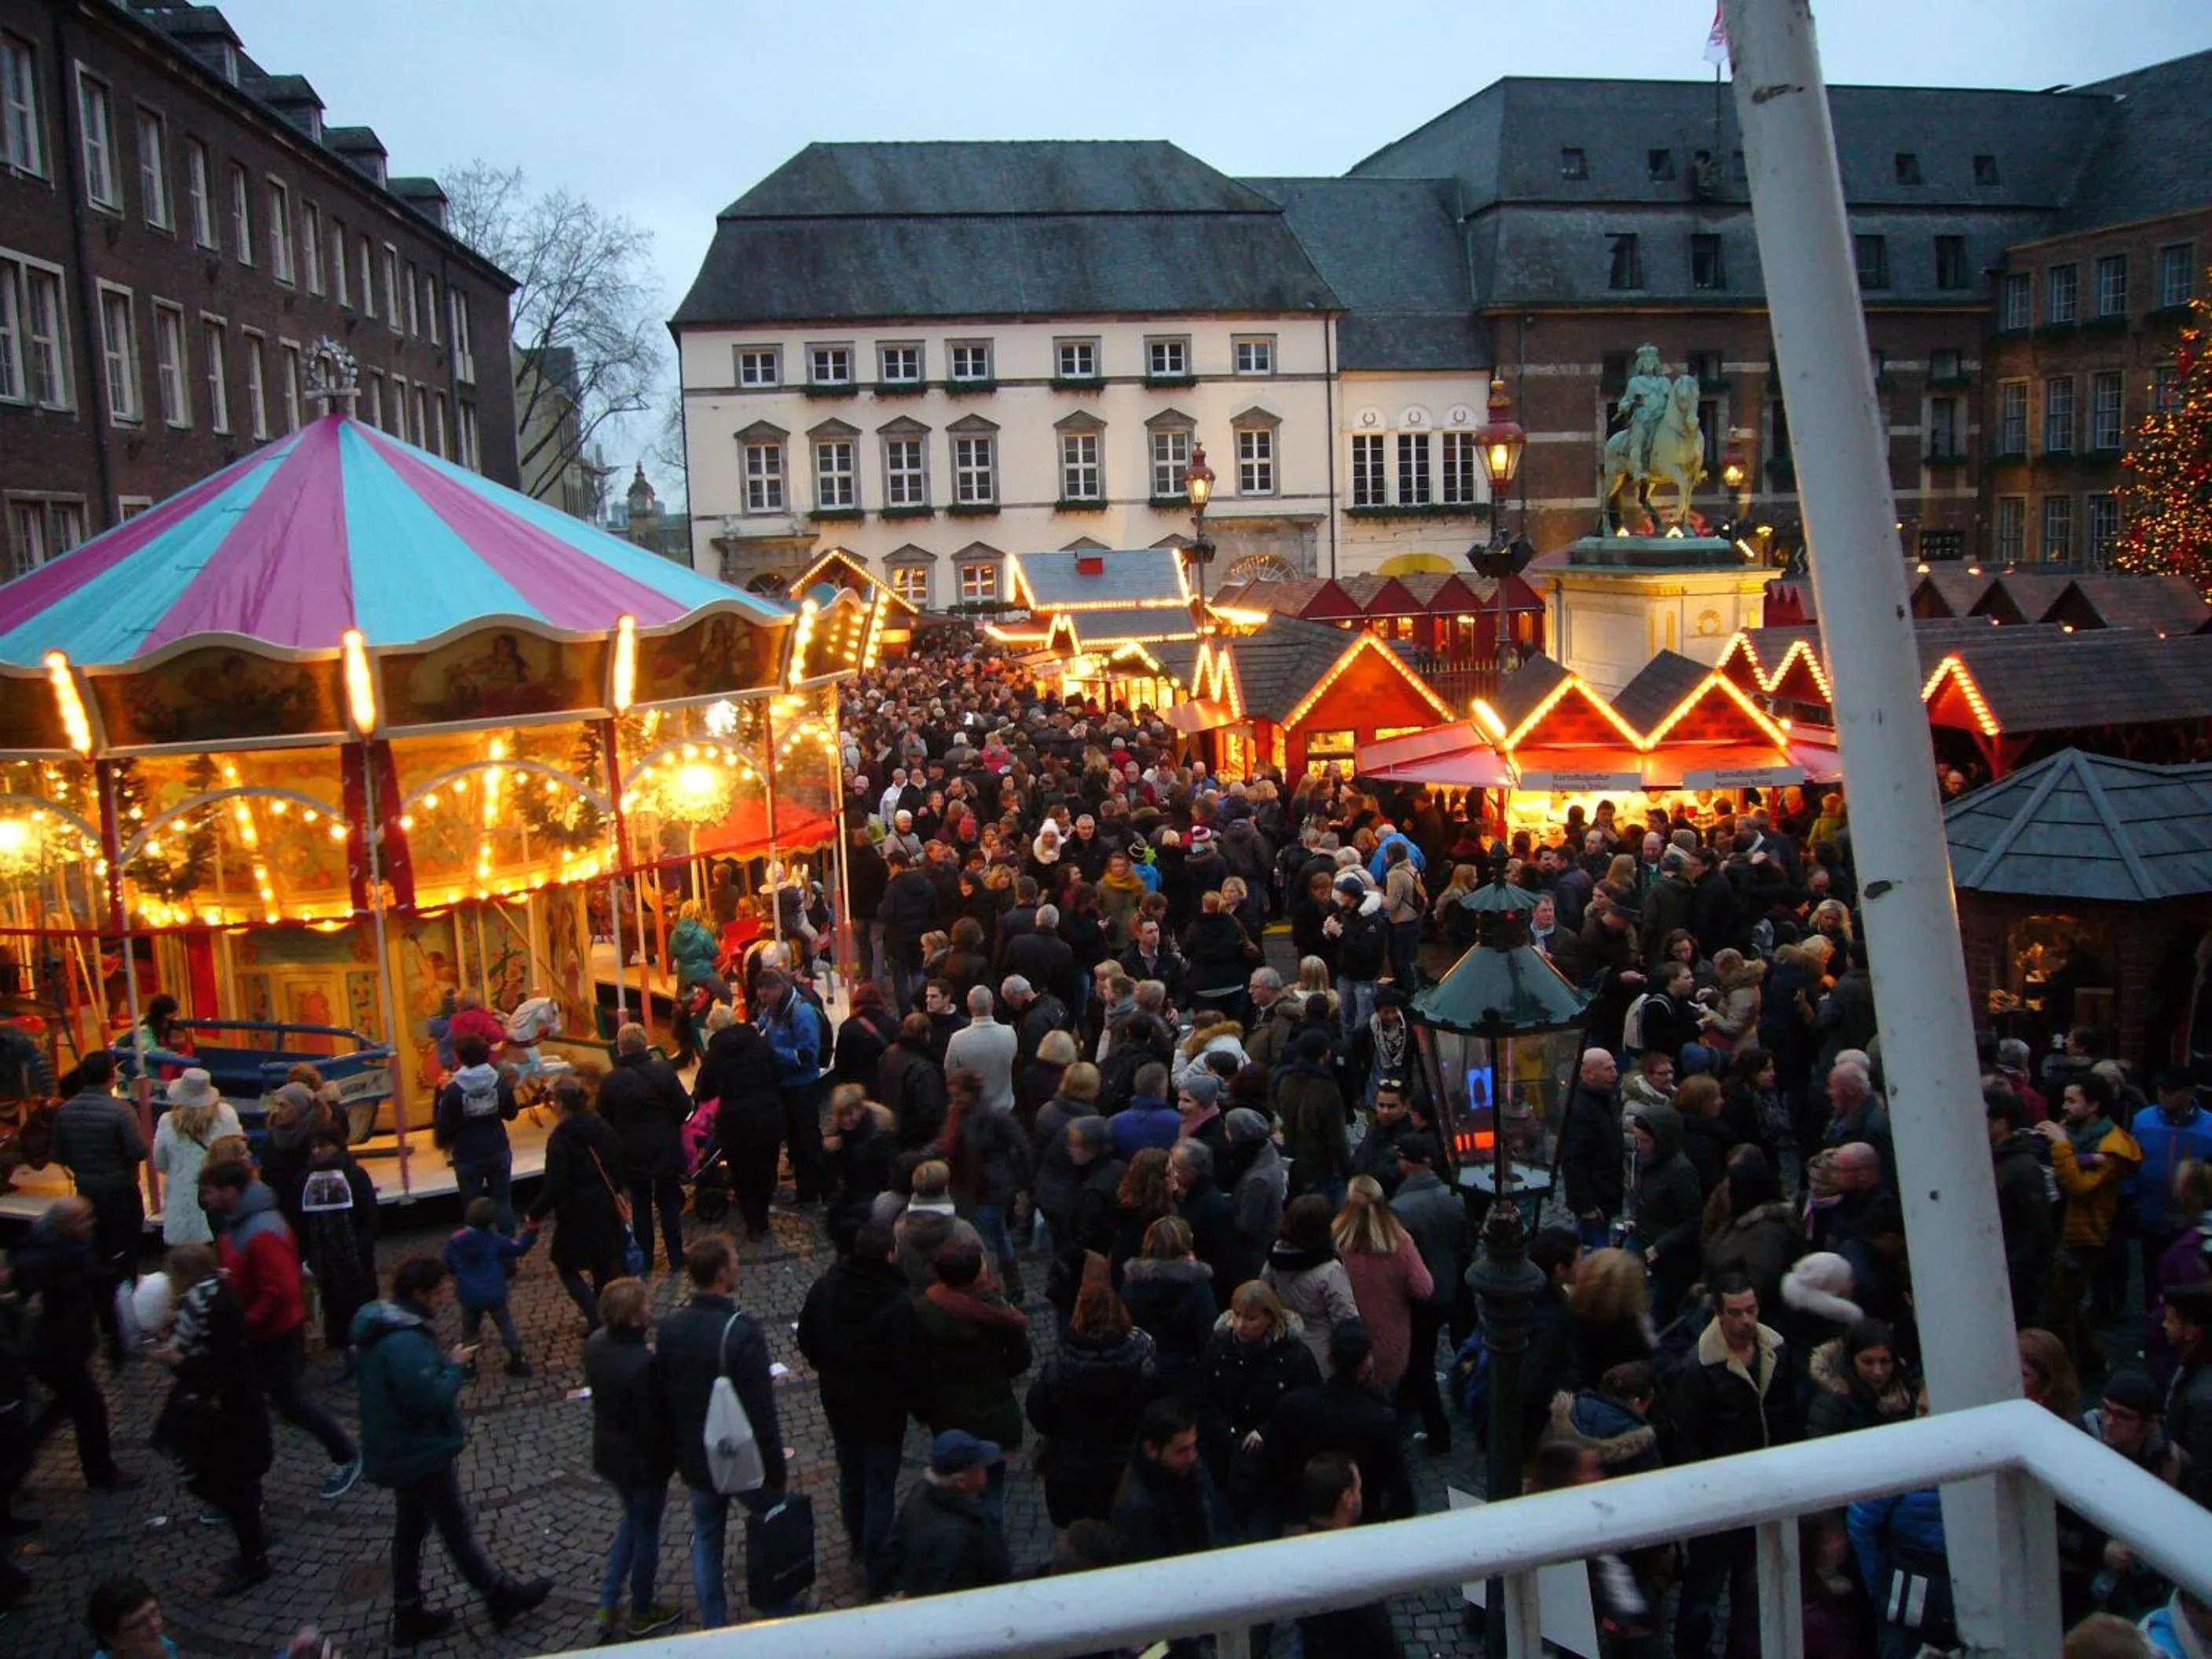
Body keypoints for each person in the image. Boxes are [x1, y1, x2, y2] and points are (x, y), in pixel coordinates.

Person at [353, 1254, 552, 1646]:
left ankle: (409, 1609)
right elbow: (430, 1399)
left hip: (401, 1447)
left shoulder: (386, 1327)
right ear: (420, 1293)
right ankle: (498, 1595)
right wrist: (456, 1367)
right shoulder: (404, 1343)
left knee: (411, 1529)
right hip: (419, 1451)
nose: (446, 1298)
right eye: (440, 1291)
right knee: (452, 1526)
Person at [198, 1160, 361, 1500]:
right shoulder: (240, 1225)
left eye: (209, 1193)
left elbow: (280, 1291)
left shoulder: (260, 1231)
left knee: (290, 1403)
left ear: (229, 1192)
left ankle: (345, 1454)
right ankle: (244, 1483)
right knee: (255, 1406)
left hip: (274, 1334)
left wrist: (243, 1322)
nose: (205, 1200)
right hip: (257, 1331)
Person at [655, 1234, 789, 1628]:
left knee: (707, 1535)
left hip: (697, 1454)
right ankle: (777, 1604)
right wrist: (775, 1467)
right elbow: (761, 1411)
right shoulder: (741, 1331)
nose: (738, 1268)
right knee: (768, 1525)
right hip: (743, 1455)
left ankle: (714, 1620)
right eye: (733, 1262)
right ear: (721, 1273)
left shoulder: (670, 1328)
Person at [1669, 1275, 1796, 1658]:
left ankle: (1743, 1647)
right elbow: (1688, 1438)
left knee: (1750, 1579)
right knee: (1706, 1581)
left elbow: (1788, 1414)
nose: (1746, 1320)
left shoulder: (1776, 1350)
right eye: (1736, 1312)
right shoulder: (1698, 1368)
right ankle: (1691, 1647)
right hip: (1720, 1493)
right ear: (1718, 1314)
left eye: (1751, 1310)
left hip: (1763, 1485)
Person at [797, 1220, 917, 1599]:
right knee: (879, 1486)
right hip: (883, 1408)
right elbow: (906, 1363)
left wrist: (827, 1366)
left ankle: (857, 1543)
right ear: (888, 1254)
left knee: (851, 1475)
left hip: (839, 1399)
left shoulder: (826, 1288)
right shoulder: (895, 1301)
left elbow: (806, 1339)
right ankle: (876, 1561)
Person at [150, 1243, 272, 1595]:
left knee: (222, 1482)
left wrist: (174, 1359)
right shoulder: (218, 1293)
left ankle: (253, 1551)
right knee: (235, 1482)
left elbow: (206, 1362)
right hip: (236, 1405)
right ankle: (252, 1539)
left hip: (222, 1411)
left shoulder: (201, 1304)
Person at [1025, 1252, 1158, 1527]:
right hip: (1124, 1473)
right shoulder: (1142, 1371)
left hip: (1071, 1473)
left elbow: (1039, 1414)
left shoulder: (1058, 1373)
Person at [13, 1198, 138, 1489]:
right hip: (53, 1348)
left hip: (64, 1345)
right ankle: (100, 1472)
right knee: (88, 1407)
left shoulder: (71, 1249)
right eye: (83, 1219)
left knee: (63, 1407)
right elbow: (38, 1300)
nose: (90, 1224)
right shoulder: (46, 1257)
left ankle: (16, 1462)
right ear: (63, 1225)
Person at [582, 1277, 680, 1643]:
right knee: (645, 1533)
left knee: (632, 1523)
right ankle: (642, 1608)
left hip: (610, 1453)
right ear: (635, 1316)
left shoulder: (595, 1345)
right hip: (643, 1463)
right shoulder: (642, 1365)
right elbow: (654, 1424)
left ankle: (608, 1602)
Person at [914, 1238, 1032, 1525]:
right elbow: (1020, 1359)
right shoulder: (1001, 1313)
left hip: (948, 1407)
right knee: (993, 1485)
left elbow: (917, 1362)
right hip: (995, 1408)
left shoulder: (925, 1310)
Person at [1261, 1320, 1415, 1525]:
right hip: (1362, 1519)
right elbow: (1402, 1496)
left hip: (1304, 1516)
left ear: (1330, 1358)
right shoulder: (1380, 1420)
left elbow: (1273, 1467)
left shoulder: (1293, 1406)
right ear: (1366, 1362)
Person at [2040, 1072, 2144, 1376]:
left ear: (2095, 1105)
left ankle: (2068, 1374)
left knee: (2059, 1312)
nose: (2066, 1107)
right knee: (2067, 1306)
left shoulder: (2114, 1145)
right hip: (2062, 1229)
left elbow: (2078, 1187)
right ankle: (2094, 1362)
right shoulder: (2076, 1134)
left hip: (2085, 1236)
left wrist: (2060, 1147)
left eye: (2073, 1101)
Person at [50, 1052, 146, 1360]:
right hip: (119, 1190)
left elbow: (60, 1154)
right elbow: (138, 1149)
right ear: (110, 1076)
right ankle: (128, 1320)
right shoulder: (120, 1111)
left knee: (95, 1254)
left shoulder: (66, 1112)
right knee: (126, 1256)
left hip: (87, 1189)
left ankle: (105, 1321)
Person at [526, 1078, 632, 1333]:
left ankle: (596, 1318)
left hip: (576, 1212)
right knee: (603, 1266)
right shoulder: (603, 1128)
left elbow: (555, 1184)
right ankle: (607, 1317)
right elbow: (619, 1163)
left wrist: (535, 1212)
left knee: (566, 1266)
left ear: (561, 1104)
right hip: (605, 1207)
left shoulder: (561, 1139)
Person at [1391, 1133, 1468, 1451]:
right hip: (1453, 1285)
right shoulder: (1455, 1195)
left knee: (1420, 1359)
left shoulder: (1400, 1208)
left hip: (1422, 1295)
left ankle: (1437, 1430)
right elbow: (1466, 1243)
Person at [596, 1023, 690, 1275]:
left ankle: (646, 1258)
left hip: (630, 1151)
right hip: (664, 1146)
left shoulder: (612, 1081)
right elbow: (683, 1106)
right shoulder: (663, 1071)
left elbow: (603, 1118)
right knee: (669, 1200)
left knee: (640, 1203)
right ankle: (676, 1255)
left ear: (621, 1048)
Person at [1288, 1452, 1399, 1658]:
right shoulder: (1356, 1576)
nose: (1360, 1495)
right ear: (1347, 1499)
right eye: (1358, 1489)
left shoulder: (1295, 1546)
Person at [1331, 1174, 1433, 1394]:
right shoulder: (1400, 1243)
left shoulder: (1336, 1240)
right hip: (1389, 1341)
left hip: (1346, 1342)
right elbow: (1423, 1288)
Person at [696, 1004, 786, 1243]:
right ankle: (763, 1215)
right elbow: (779, 1070)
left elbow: (705, 1091)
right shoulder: (758, 1043)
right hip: (767, 1114)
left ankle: (753, 1223)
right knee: (766, 1166)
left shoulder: (714, 1054)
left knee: (743, 1173)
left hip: (735, 1121)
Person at [884, 1430, 1011, 1599]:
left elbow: (893, 1549)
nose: (985, 1468)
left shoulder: (920, 1493)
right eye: (979, 1465)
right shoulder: (958, 1538)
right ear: (961, 1481)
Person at [297, 1129, 379, 1375]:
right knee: (335, 1309)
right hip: (324, 1258)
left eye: (323, 1146)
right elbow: (300, 1219)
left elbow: (369, 1215)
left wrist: (363, 1245)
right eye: (313, 1147)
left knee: (360, 1304)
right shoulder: (306, 1178)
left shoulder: (354, 1174)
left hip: (354, 1256)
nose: (317, 1151)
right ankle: (349, 1355)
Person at [1265, 1193, 1362, 1379]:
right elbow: (1346, 1319)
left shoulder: (1275, 1259)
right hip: (1320, 1354)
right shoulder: (1330, 1271)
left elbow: (1264, 1293)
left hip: (1282, 1343)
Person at [431, 1036, 520, 1237]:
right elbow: (511, 1113)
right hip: (497, 1147)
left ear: (460, 1058)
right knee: (503, 1201)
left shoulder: (454, 1089)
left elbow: (445, 1124)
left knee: (473, 1207)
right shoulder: (497, 1082)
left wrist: (444, 1141)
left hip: (467, 1152)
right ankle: (508, 1252)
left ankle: (479, 1250)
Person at [1110, 1397, 1215, 1563]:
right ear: (1151, 1450)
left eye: (1194, 1446)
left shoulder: (1186, 1470)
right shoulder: (1138, 1509)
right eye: (1182, 1451)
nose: (1192, 1457)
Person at [442, 1196, 538, 1377]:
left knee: (470, 1330)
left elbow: (448, 1262)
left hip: (469, 1294)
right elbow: (518, 1247)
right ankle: (519, 1358)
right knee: (505, 1326)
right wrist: (531, 1231)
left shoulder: (456, 1241)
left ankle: (468, 1364)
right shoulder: (493, 1239)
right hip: (495, 1292)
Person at [757, 967, 830, 1203]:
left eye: (766, 996)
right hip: (786, 1086)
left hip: (802, 1087)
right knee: (795, 1142)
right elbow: (762, 1025)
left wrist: (771, 1052)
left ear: (778, 989)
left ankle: (818, 1189)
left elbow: (807, 1055)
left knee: (807, 1140)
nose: (764, 1002)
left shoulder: (802, 1013)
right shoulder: (775, 1008)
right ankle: (805, 1189)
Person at [1628, 1098, 1703, 1321]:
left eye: (1645, 1141)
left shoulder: (1681, 1171)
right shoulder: (1646, 1160)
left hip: (1672, 1257)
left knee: (1661, 1312)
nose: (1640, 1146)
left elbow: (1693, 1220)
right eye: (1638, 1139)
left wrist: (1660, 1246)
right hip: (1646, 1241)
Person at [148, 1069, 240, 1246]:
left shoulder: (167, 1122)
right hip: (221, 1204)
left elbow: (160, 1164)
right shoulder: (227, 1116)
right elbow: (238, 1155)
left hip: (181, 1211)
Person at [2133, 1069, 2212, 1273]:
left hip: (2193, 1222)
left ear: (2189, 1093)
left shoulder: (2209, 1127)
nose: (2162, 1095)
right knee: (2151, 1278)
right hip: (2150, 1217)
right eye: (2160, 1090)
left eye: (2170, 1091)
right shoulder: (2143, 1120)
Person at [1559, 1048, 1626, 1248]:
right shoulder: (1580, 1109)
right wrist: (1585, 1204)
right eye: (1608, 1069)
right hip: (1595, 1197)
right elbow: (1572, 1159)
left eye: (1614, 1067)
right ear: (1589, 1073)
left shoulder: (1605, 1098)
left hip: (1606, 1192)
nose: (1614, 1073)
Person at [1804, 1316, 1914, 1438]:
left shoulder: (1909, 1395)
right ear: (1851, 1361)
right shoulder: (1830, 1406)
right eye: (1867, 1362)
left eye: (1885, 1362)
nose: (1878, 1371)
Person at [946, 983, 1019, 1115]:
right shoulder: (1009, 1033)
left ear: (969, 1008)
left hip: (973, 1112)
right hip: (1005, 1108)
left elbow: (950, 1072)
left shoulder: (957, 1039)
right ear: (992, 1004)